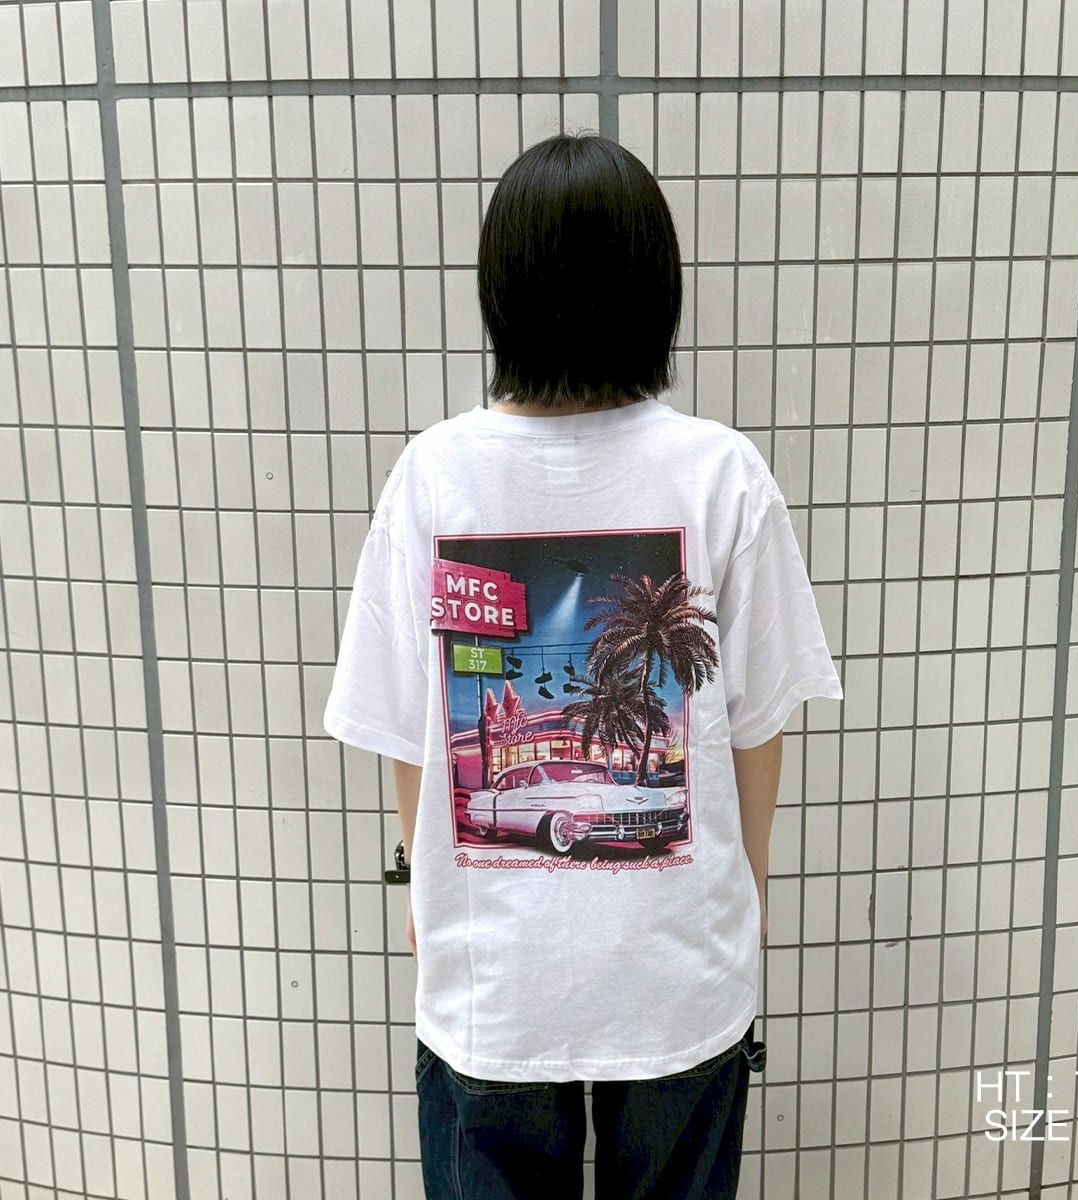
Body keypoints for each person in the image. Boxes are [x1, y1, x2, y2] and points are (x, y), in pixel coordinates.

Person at [321, 131, 844, 1200]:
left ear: (501, 292)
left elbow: (405, 726)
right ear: (657, 290)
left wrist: (427, 883)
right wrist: (744, 890)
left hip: (491, 987)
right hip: (680, 971)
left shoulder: (432, 475)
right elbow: (758, 729)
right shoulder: (722, 474)